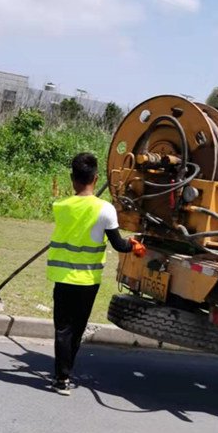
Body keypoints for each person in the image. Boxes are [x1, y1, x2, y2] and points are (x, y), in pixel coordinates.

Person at [47, 152, 146, 395]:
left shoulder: (60, 207)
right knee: (77, 328)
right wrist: (134, 244)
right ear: (96, 177)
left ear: (72, 179)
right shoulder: (105, 210)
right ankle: (66, 374)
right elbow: (119, 245)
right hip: (88, 280)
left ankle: (61, 378)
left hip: (62, 277)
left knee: (62, 328)